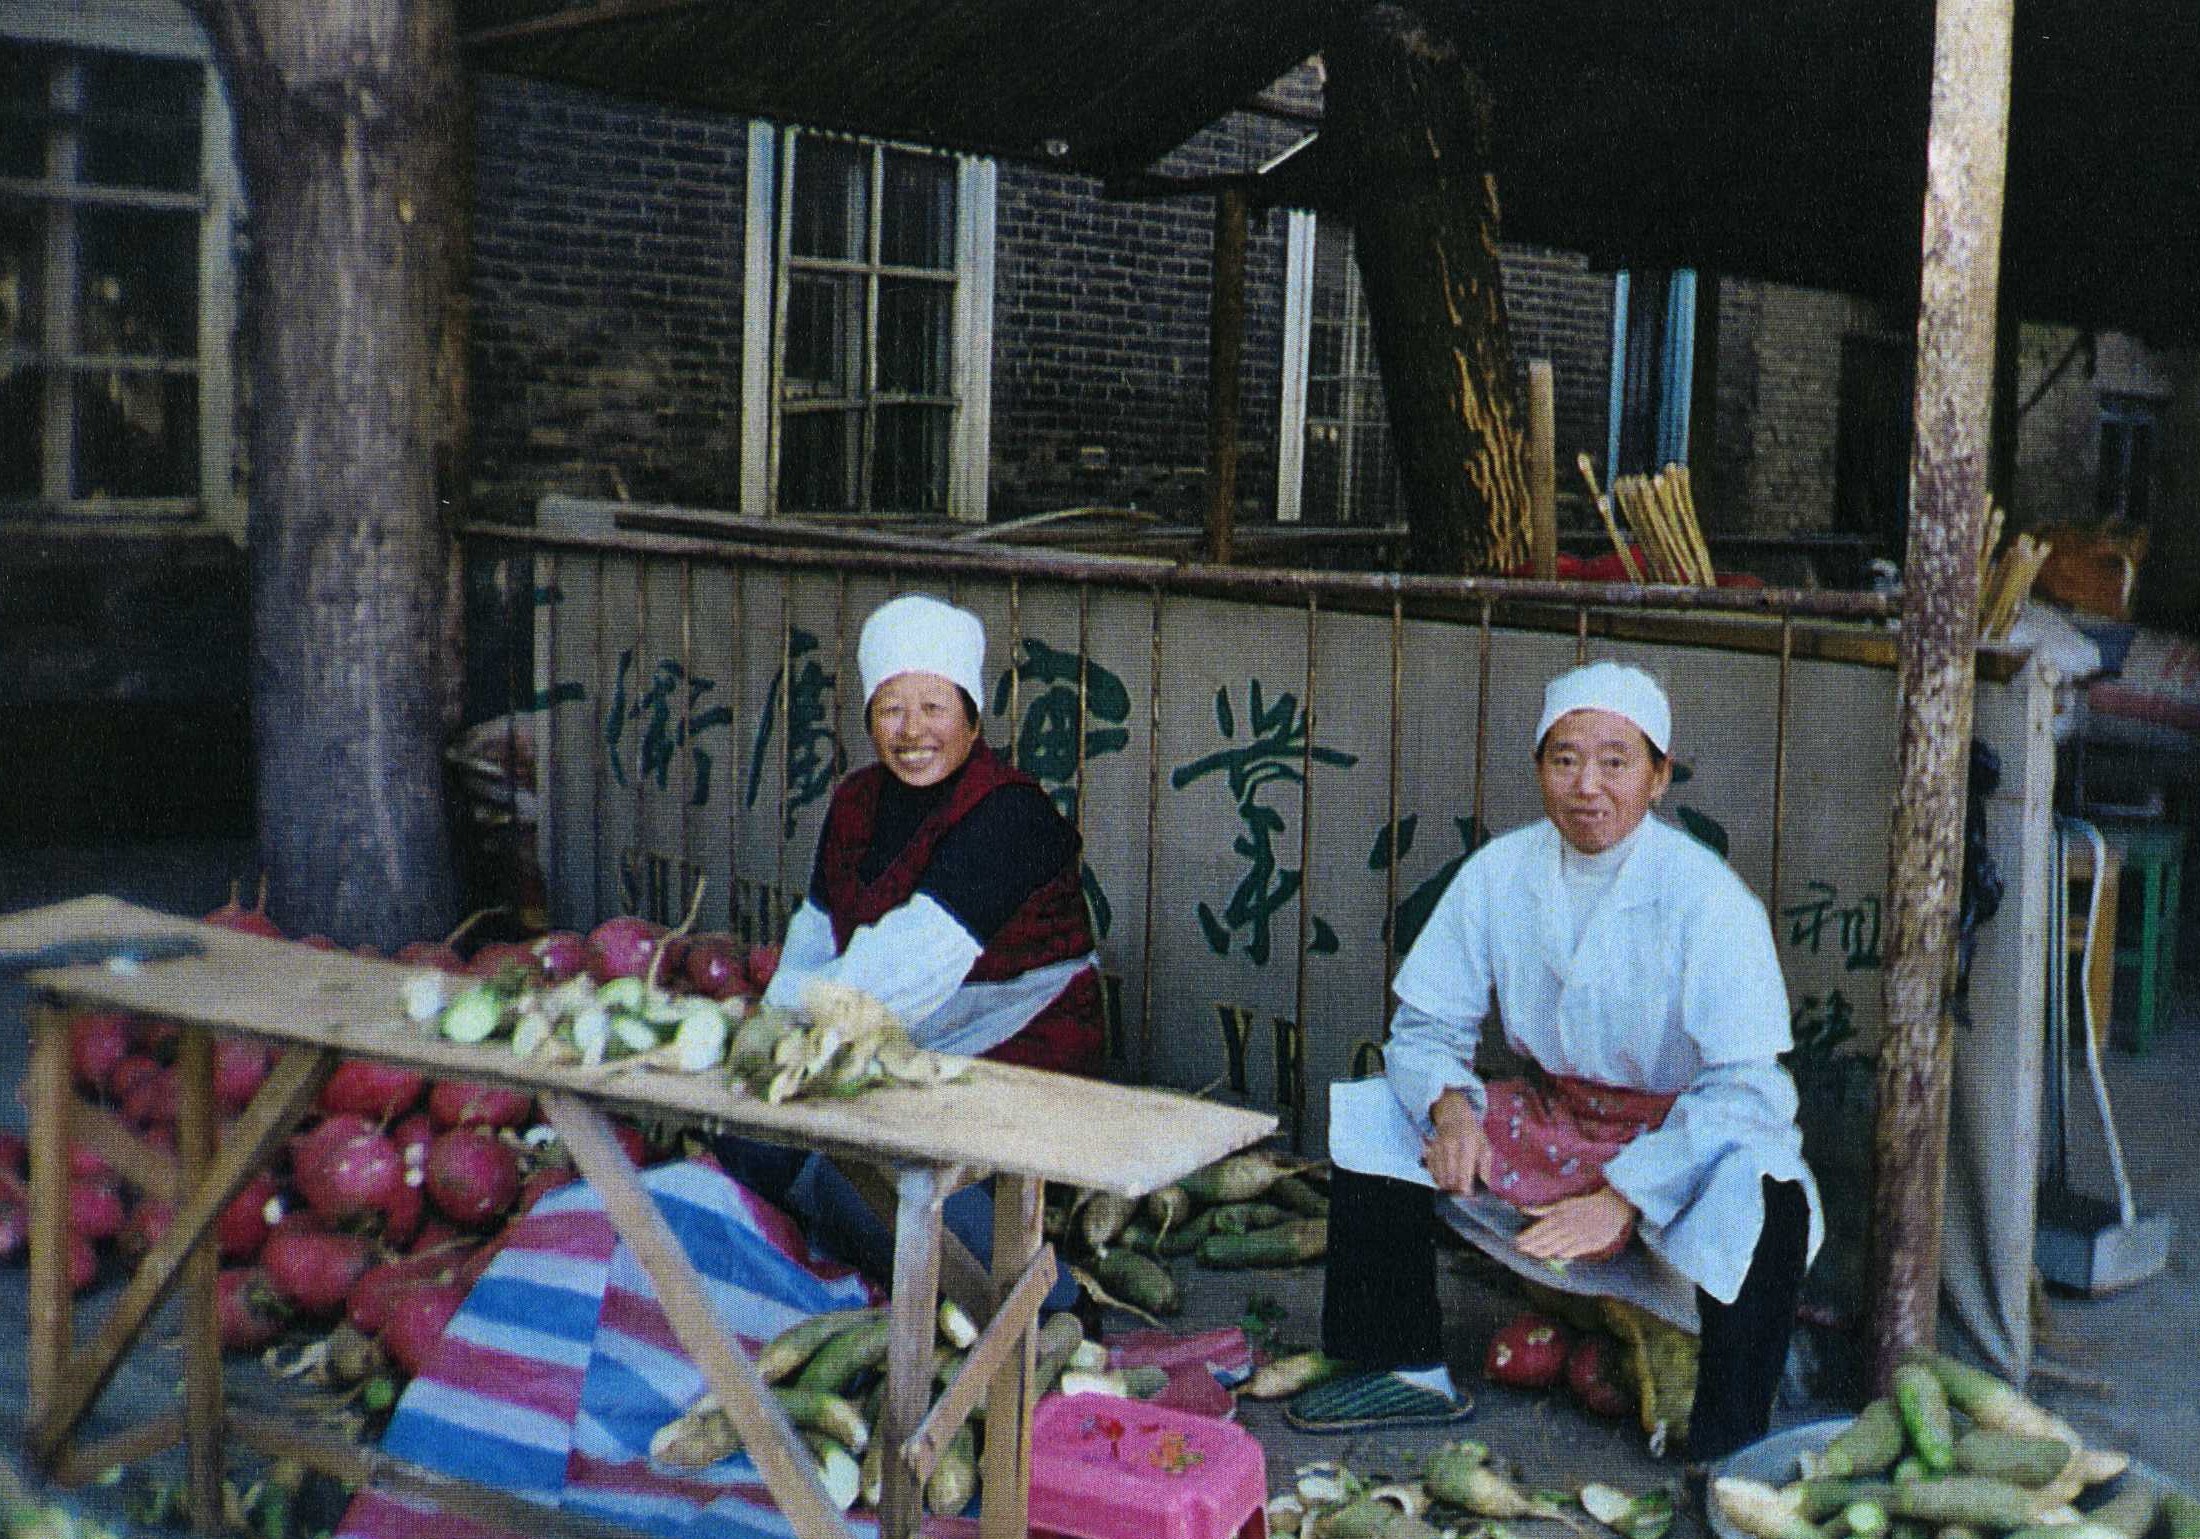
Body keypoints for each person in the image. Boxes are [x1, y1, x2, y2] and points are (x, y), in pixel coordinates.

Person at [1295, 660, 1820, 1464]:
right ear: (1539, 769)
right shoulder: (1501, 874)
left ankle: (1729, 1444)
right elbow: (1427, 1025)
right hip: (1558, 1120)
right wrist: (1451, 1110)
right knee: (1375, 1116)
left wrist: (1626, 1196)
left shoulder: (1707, 899)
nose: (1589, 785)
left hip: (1679, 1132)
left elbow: (1748, 1089)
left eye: (1617, 760)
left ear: (1658, 775)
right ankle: (1404, 1366)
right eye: (1565, 758)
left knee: (1766, 1196)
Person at [723, 592, 1103, 1295]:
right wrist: (763, 1037)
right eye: (891, 708)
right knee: (748, 1134)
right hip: (897, 1032)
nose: (912, 731)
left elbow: (902, 971)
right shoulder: (856, 801)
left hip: (1022, 1055)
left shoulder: (1011, 813)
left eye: (934, 707)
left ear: (971, 714)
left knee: (854, 1155)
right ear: (868, 715)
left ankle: (1044, 1298)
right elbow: (813, 935)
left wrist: (774, 1031)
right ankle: (877, 1251)